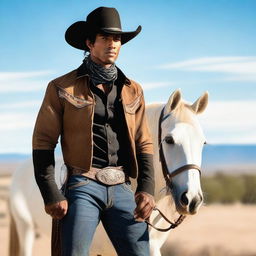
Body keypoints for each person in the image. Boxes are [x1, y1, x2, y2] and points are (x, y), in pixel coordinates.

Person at [32, 6, 155, 256]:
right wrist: (51, 193)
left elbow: (144, 142)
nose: (113, 44)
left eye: (117, 38)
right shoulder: (61, 87)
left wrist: (147, 188)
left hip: (122, 187)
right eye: (105, 38)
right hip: (82, 186)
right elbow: (43, 141)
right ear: (90, 43)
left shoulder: (134, 90)